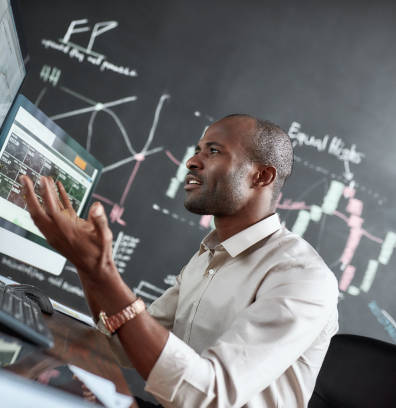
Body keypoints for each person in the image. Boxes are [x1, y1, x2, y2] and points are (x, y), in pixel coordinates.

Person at [19, 114, 339, 407]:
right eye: (197, 149)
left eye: (213, 151)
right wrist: (31, 310)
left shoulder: (302, 277)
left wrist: (100, 271)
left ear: (261, 176)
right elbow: (123, 342)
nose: (191, 161)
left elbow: (209, 396)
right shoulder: (210, 255)